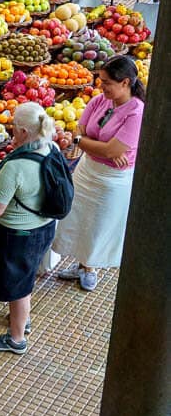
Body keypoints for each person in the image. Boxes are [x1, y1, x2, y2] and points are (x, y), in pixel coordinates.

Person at [52, 55, 145, 291]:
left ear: (125, 83)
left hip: (112, 180)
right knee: (79, 218)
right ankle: (81, 263)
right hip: (86, 171)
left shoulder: (136, 112)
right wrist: (93, 144)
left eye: (107, 83)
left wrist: (88, 143)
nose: (101, 86)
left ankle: (91, 266)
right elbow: (78, 129)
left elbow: (112, 148)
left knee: (99, 224)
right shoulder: (99, 100)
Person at [0, 103, 59, 354]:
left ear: (24, 132)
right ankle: (22, 321)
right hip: (45, 227)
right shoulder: (52, 148)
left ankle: (16, 339)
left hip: (18, 235)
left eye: (15, 128)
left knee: (19, 286)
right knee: (25, 278)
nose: (12, 132)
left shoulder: (14, 167)